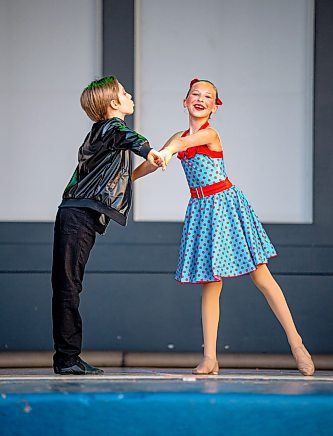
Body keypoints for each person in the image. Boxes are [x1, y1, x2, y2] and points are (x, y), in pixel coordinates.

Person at [132, 78, 315, 376]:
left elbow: (180, 145)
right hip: (202, 211)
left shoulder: (209, 133)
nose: (200, 99)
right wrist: (130, 179)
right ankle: (210, 358)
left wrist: (168, 152)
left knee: (262, 276)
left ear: (214, 108)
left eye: (208, 96)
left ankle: (297, 345)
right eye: (195, 94)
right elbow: (156, 160)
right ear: (185, 101)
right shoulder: (178, 135)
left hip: (226, 205)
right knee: (211, 284)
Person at [52, 76, 164, 375]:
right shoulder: (112, 128)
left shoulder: (102, 135)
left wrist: (146, 165)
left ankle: (68, 356)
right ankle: (67, 358)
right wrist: (148, 149)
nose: (130, 96)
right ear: (113, 103)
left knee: (69, 284)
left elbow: (116, 176)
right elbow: (130, 137)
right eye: (124, 93)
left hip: (78, 214)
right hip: (77, 215)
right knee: (68, 285)